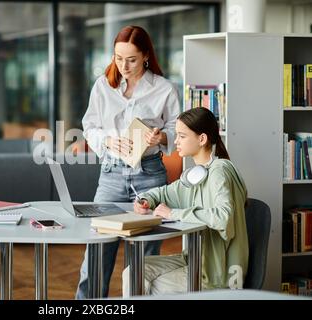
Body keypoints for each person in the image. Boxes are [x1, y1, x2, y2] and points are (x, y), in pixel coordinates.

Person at [77, 25, 181, 299]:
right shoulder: (103, 85)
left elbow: (175, 130)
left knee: (144, 258)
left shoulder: (164, 89)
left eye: (131, 59)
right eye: (118, 57)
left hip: (150, 175)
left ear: (146, 55)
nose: (123, 65)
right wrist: (109, 140)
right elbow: (89, 126)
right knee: (97, 252)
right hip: (111, 174)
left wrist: (161, 137)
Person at [123, 107, 249, 295]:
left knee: (149, 284)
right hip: (193, 259)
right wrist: (146, 200)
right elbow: (163, 193)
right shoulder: (194, 175)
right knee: (132, 272)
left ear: (202, 139)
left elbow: (223, 217)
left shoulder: (219, 171)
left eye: (182, 136)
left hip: (217, 274)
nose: (175, 141)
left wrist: (173, 213)